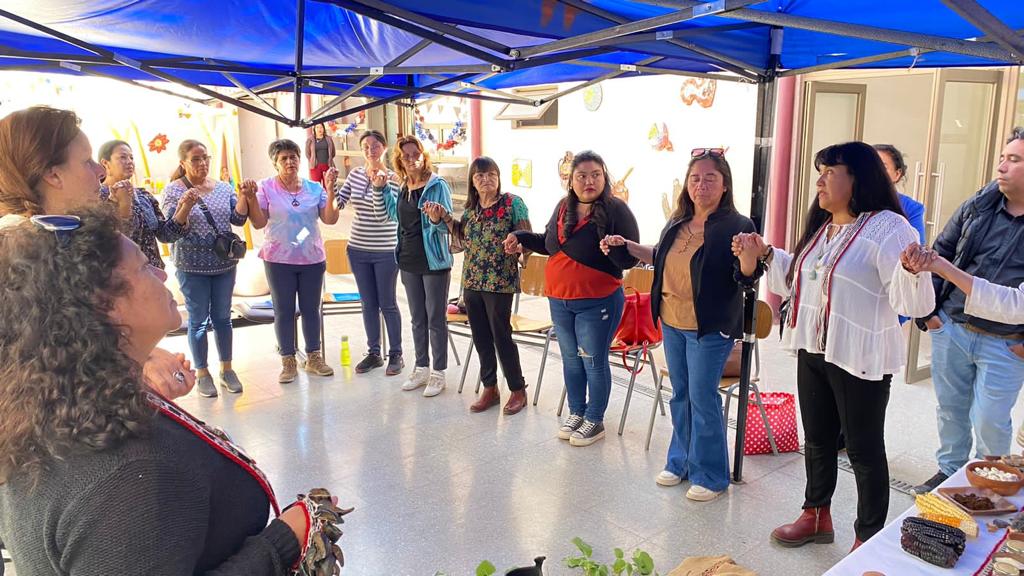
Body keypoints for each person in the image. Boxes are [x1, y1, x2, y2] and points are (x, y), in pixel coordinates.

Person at [0, 208, 313, 575]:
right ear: (106, 305)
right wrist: (283, 542)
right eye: (146, 267)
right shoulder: (127, 475)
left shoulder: (65, 403)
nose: (163, 274)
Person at [732, 141, 934, 548]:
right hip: (815, 348)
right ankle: (816, 515)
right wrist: (769, 254)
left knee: (862, 449)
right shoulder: (823, 228)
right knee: (819, 438)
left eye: (829, 171)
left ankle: (869, 536)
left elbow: (910, 302)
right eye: (819, 171)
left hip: (860, 356)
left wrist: (914, 272)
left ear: (858, 178)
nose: (820, 181)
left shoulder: (890, 228)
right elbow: (800, 283)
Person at [0, 105, 194, 399]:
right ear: (53, 174)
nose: (101, 171)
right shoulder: (25, 256)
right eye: (87, 161)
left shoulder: (56, 239)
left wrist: (143, 354)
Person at [601, 148, 753, 500]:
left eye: (710, 178)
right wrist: (628, 246)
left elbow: (745, 276)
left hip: (709, 326)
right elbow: (661, 257)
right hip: (671, 321)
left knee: (703, 397)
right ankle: (680, 461)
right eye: (695, 178)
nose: (701, 185)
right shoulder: (677, 221)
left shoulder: (737, 225)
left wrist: (749, 255)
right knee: (681, 394)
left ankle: (712, 475)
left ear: (725, 185)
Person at [910, 127, 1024, 494]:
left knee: (991, 420)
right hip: (954, 327)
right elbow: (942, 247)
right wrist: (931, 315)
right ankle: (950, 471)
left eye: (1015, 160)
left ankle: (990, 483)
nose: (1002, 166)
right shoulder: (980, 205)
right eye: (1004, 157)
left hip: (1007, 341)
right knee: (950, 410)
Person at [505, 150, 639, 447]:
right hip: (560, 300)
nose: (589, 181)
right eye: (582, 176)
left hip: (599, 301)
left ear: (605, 178)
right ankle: (577, 412)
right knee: (571, 360)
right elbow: (549, 243)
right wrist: (521, 237)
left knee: (592, 361)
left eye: (596, 175)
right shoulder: (563, 207)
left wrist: (613, 248)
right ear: (571, 180)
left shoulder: (617, 210)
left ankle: (595, 418)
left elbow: (630, 257)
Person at [435, 157, 532, 415]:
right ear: (472, 182)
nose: (485, 180)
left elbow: (527, 237)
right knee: (480, 336)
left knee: (501, 336)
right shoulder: (471, 210)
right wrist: (442, 218)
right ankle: (490, 388)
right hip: (472, 281)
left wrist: (520, 244)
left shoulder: (513, 204)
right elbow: (460, 239)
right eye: (479, 176)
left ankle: (518, 389)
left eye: (491, 174)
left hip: (500, 281)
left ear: (498, 177)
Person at [162, 139, 253, 398]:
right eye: (195, 159)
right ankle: (202, 372)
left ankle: (227, 369)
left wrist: (244, 196)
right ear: (183, 163)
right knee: (198, 320)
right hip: (192, 267)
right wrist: (186, 207)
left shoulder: (223, 188)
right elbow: (173, 228)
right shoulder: (173, 190)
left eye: (205, 158)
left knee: (223, 318)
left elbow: (237, 218)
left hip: (224, 264)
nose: (202, 163)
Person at [248, 139, 340, 383]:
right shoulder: (266, 187)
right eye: (284, 158)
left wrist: (330, 189)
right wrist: (248, 200)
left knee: (311, 309)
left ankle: (314, 357)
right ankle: (288, 360)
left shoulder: (313, 188)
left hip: (311, 258)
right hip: (279, 259)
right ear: (275, 163)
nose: (290, 162)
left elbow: (330, 219)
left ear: (300, 159)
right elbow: (258, 222)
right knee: (284, 310)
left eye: (293, 157)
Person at [376, 136, 454, 397]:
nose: (411, 159)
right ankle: (421, 367)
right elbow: (394, 214)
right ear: (399, 161)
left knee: (435, 318)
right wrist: (382, 189)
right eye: (405, 156)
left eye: (415, 154)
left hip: (434, 261)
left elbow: (447, 225)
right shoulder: (403, 186)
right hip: (408, 259)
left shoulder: (437, 185)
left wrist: (436, 218)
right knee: (417, 319)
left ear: (424, 155)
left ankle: (438, 372)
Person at [336, 130, 404, 376]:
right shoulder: (354, 175)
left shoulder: (394, 179)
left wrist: (378, 188)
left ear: (384, 148)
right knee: (368, 303)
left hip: (385, 250)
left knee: (387, 303)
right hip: (357, 249)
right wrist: (327, 186)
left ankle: (395, 353)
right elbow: (339, 202)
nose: (370, 150)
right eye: (365, 146)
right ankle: (374, 352)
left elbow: (384, 214)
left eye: (375, 146)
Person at [98, 139, 188, 269]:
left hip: (153, 273)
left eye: (131, 157)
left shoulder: (143, 195)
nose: (129, 162)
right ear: (105, 163)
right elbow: (108, 239)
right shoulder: (97, 196)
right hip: (121, 276)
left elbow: (164, 235)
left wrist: (184, 209)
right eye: (123, 157)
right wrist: (124, 205)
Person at [875, 144, 926, 243]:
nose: (873, 172)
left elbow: (917, 249)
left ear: (897, 174)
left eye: (882, 167)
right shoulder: (850, 203)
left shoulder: (911, 208)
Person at [305, 123, 335, 188]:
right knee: (315, 187)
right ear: (314, 129)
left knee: (327, 186)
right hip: (315, 167)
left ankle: (327, 198)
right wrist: (312, 161)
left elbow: (333, 153)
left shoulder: (328, 139)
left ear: (324, 128)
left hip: (327, 166)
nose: (319, 129)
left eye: (321, 127)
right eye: (317, 127)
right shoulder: (310, 139)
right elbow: (307, 153)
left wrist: (329, 160)